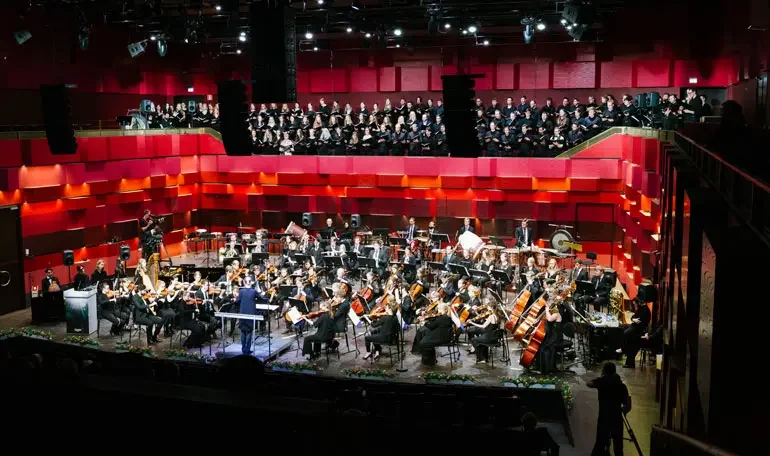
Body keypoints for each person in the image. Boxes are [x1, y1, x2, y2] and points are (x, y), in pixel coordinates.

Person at [588, 362, 632, 456]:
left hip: (604, 419)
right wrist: (622, 411)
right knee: (618, 447)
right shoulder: (621, 386)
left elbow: (589, 384)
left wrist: (599, 379)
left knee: (600, 444)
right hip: (617, 419)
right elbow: (627, 405)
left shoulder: (601, 382)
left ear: (604, 371)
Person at [618, 298, 651, 368]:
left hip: (640, 330)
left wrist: (634, 319)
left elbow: (640, 321)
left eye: (635, 304)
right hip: (635, 328)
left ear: (639, 302)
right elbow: (633, 317)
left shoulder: (645, 310)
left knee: (628, 336)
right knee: (622, 328)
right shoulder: (641, 308)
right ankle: (625, 352)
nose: (634, 305)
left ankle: (623, 349)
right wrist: (633, 319)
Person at [236, 277, 264, 355]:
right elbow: (261, 298)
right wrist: (262, 294)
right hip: (251, 313)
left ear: (244, 283)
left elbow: (237, 301)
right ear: (251, 283)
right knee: (249, 331)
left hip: (243, 313)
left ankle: (243, 349)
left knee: (242, 330)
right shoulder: (254, 291)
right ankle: (247, 350)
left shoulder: (241, 291)